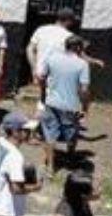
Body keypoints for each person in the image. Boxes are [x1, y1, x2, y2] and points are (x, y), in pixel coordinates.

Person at [39, 34, 91, 177]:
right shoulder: (82, 64)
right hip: (70, 105)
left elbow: (41, 78)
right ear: (78, 47)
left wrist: (43, 94)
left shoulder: (52, 59)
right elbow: (84, 89)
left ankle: (50, 167)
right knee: (72, 134)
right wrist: (85, 107)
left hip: (51, 102)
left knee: (50, 135)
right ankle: (70, 158)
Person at [26, 8, 79, 92]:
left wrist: (34, 69)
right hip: (57, 77)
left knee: (43, 100)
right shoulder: (70, 37)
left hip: (40, 73)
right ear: (68, 21)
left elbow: (30, 49)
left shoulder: (41, 30)